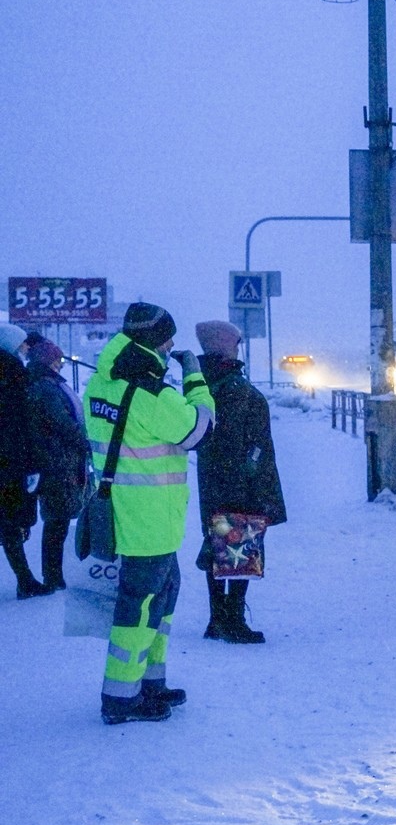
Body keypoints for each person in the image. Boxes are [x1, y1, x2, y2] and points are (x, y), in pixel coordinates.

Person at [85, 303, 214, 725]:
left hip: (130, 512)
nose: (172, 345)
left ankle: (149, 684)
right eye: (167, 339)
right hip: (149, 519)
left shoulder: (100, 385)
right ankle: (121, 697)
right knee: (140, 608)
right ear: (152, 342)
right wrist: (194, 377)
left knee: (162, 599)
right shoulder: (150, 393)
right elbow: (199, 428)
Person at [194, 320, 286, 644]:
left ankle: (217, 618)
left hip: (213, 479)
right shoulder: (237, 391)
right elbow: (248, 443)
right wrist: (252, 475)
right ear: (226, 346)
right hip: (242, 482)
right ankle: (232, 621)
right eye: (236, 343)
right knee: (240, 547)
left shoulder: (202, 385)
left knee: (217, 543)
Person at [26, 339, 91, 591]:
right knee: (57, 520)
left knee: (58, 519)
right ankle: (53, 576)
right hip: (57, 461)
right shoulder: (46, 388)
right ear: (47, 361)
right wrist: (85, 442)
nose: (60, 364)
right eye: (57, 360)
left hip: (57, 459)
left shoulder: (44, 385)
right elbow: (62, 424)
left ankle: (54, 574)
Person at [0, 323, 49, 599]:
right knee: (10, 520)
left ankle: (25, 579)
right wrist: (32, 461)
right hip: (11, 461)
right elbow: (23, 424)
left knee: (8, 521)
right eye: (21, 344)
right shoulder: (14, 374)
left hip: (7, 458)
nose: (25, 348)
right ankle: (25, 580)